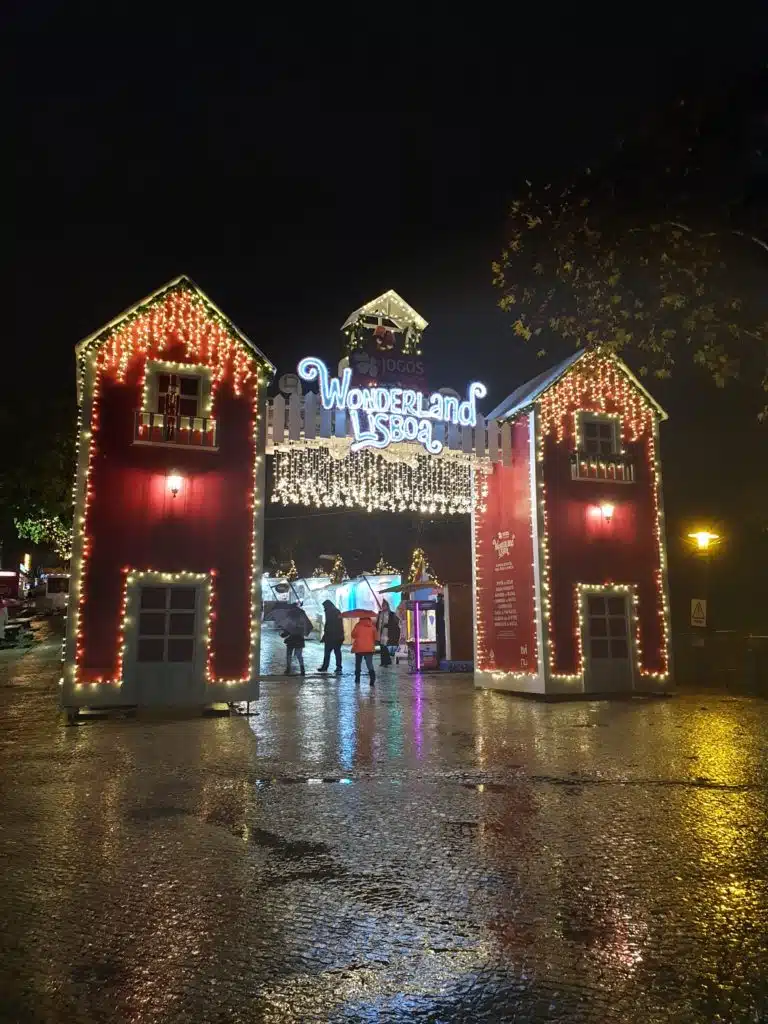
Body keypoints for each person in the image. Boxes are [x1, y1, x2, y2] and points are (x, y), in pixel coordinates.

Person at [351, 614, 377, 686]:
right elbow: (375, 637)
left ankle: (357, 678)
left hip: (359, 647)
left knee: (358, 663)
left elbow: (353, 635)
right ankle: (372, 678)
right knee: (369, 663)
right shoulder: (372, 626)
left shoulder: (358, 625)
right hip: (369, 648)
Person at [319, 600, 344, 674]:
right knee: (337, 652)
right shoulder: (337, 611)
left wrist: (324, 636)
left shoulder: (329, 611)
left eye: (324, 606)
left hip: (331, 636)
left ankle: (325, 667)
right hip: (338, 636)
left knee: (327, 652)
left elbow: (328, 625)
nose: (324, 608)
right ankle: (338, 667)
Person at [376, 600, 393, 666]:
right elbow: (378, 623)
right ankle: (383, 661)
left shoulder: (390, 614)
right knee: (382, 647)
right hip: (380, 632)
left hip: (387, 633)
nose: (383, 607)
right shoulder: (380, 613)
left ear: (387, 606)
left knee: (384, 647)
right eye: (382, 605)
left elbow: (392, 624)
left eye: (384, 605)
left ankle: (386, 662)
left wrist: (387, 625)